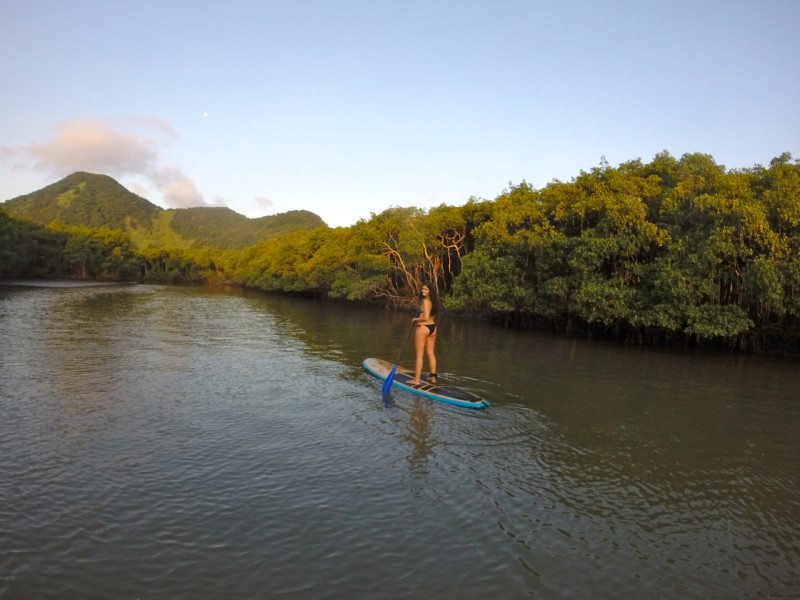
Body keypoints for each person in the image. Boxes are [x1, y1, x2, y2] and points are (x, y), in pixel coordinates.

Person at [409, 283, 439, 385]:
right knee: (430, 353)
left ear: (430, 291)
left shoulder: (426, 302)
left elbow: (425, 317)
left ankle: (416, 380)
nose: (423, 291)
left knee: (419, 355)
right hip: (433, 328)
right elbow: (431, 317)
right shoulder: (433, 302)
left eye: (426, 289)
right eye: (422, 289)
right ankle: (433, 378)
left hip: (423, 328)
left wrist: (415, 319)